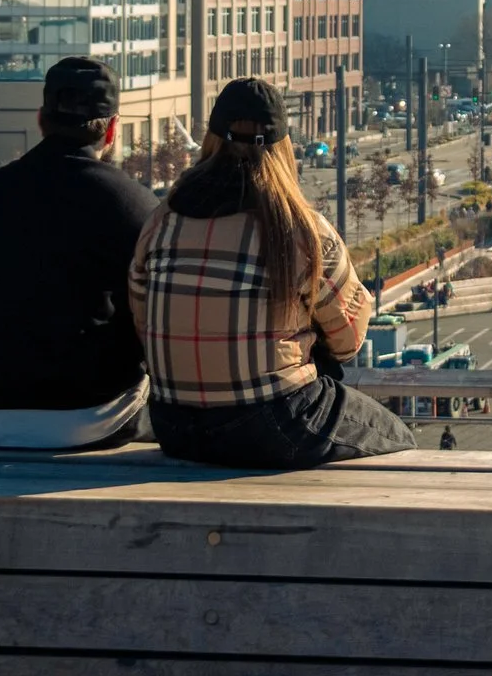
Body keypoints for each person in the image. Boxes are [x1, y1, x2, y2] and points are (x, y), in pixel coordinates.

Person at [129, 78, 413, 468]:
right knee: (394, 434)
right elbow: (348, 341)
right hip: (272, 424)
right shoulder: (301, 230)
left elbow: (144, 324)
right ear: (283, 147)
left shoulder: (162, 220)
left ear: (211, 139)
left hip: (174, 426)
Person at [0, 57, 161, 449]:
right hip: (89, 413)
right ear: (111, 129)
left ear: (41, 120)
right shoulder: (136, 206)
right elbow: (154, 323)